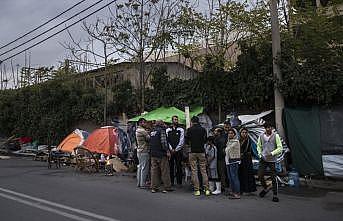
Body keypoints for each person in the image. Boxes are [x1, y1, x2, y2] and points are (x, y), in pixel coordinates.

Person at [257, 123, 283, 202]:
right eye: (266, 128)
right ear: (265, 128)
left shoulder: (276, 136)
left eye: (269, 127)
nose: (268, 129)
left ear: (271, 128)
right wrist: (260, 154)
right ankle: (266, 188)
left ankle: (275, 195)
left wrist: (272, 153)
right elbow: (258, 146)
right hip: (263, 159)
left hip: (272, 160)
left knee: (273, 177)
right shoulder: (261, 136)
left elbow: (280, 148)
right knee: (260, 175)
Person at [186, 116, 210, 196]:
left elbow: (186, 141)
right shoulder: (203, 129)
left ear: (192, 122)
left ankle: (197, 190)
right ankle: (206, 189)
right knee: (203, 171)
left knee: (194, 171)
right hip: (201, 151)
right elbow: (205, 140)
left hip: (192, 152)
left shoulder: (189, 130)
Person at [149, 120, 172, 193]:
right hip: (161, 154)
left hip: (153, 154)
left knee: (154, 171)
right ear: (161, 124)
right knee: (165, 171)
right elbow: (164, 142)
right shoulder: (161, 131)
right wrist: (167, 151)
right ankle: (166, 187)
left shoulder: (152, 131)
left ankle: (153, 187)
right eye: (163, 123)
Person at [166, 115, 185, 187]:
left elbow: (182, 140)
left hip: (178, 151)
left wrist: (176, 149)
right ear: (172, 121)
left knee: (179, 166)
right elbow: (167, 141)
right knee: (170, 166)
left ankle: (179, 182)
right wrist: (171, 149)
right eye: (174, 119)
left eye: (177, 119)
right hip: (171, 151)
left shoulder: (181, 129)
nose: (176, 121)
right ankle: (171, 182)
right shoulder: (168, 130)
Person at [239, 128, 257, 194]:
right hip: (241, 159)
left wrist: (242, 153)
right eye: (243, 132)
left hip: (247, 159)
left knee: (247, 174)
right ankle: (243, 189)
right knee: (242, 174)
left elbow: (248, 150)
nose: (244, 134)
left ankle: (248, 190)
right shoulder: (239, 140)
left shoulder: (248, 140)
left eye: (245, 132)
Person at [225, 128, 241, 199]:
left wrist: (225, 149)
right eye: (229, 133)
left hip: (234, 161)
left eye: (232, 133)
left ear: (235, 134)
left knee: (234, 177)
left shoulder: (236, 141)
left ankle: (237, 193)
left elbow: (228, 149)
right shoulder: (229, 141)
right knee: (230, 177)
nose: (230, 134)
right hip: (228, 161)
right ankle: (232, 191)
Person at [135, 118, 150, 188]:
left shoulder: (137, 130)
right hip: (144, 150)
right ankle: (143, 183)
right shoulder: (142, 131)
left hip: (139, 150)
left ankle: (139, 183)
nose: (146, 124)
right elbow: (149, 138)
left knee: (140, 167)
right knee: (144, 167)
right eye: (144, 122)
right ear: (140, 123)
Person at [213, 127, 227, 195]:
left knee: (221, 172)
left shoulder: (220, 139)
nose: (214, 132)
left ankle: (222, 186)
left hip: (220, 158)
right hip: (219, 158)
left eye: (215, 131)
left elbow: (221, 150)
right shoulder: (220, 138)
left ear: (218, 132)